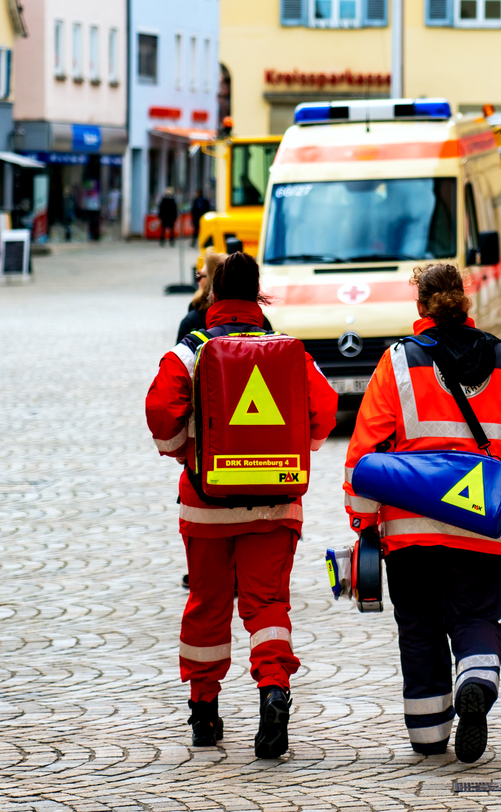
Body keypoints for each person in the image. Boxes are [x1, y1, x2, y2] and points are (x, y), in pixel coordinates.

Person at [342, 263, 501, 763]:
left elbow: (363, 457)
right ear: (466, 301)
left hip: (409, 535)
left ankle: (430, 732)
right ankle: (476, 680)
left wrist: (364, 522)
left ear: (420, 307)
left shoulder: (396, 363)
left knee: (419, 626)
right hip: (479, 528)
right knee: (476, 616)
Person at [145, 252, 338, 758]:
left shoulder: (191, 350)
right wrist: (294, 446)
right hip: (274, 504)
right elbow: (324, 409)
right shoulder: (288, 351)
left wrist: (186, 451)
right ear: (258, 295)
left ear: (213, 294)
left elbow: (160, 412)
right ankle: (273, 690)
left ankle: (204, 714)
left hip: (206, 505)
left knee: (207, 606)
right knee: (267, 607)